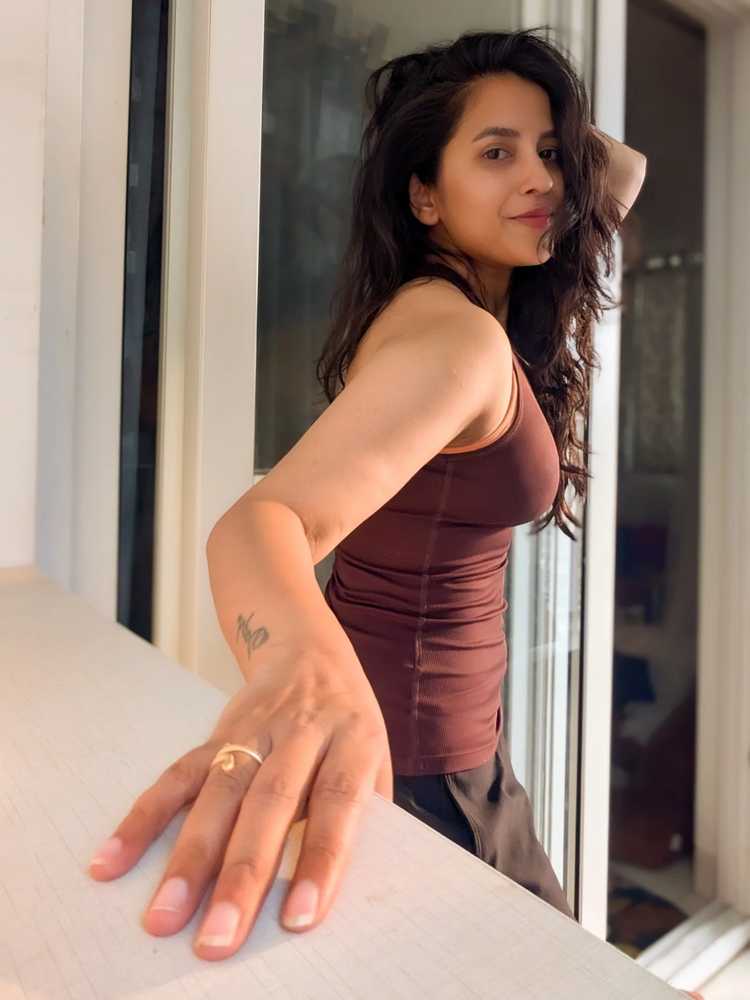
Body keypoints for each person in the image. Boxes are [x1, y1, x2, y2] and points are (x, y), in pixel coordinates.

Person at [87, 27, 648, 962]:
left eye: (550, 153)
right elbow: (263, 521)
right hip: (414, 775)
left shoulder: (454, 306)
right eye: (496, 153)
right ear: (424, 196)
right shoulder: (458, 340)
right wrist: (304, 673)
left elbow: (618, 173)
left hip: (463, 756)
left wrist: (510, 104)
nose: (542, 180)